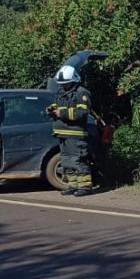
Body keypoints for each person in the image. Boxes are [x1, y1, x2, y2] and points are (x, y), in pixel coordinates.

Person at [47, 65, 98, 196]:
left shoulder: (81, 93)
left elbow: (82, 113)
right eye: (62, 83)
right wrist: (51, 110)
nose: (64, 85)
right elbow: (58, 106)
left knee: (78, 159)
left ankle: (85, 187)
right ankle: (72, 185)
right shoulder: (61, 92)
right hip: (62, 133)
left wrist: (61, 113)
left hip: (75, 133)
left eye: (66, 83)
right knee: (66, 160)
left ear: (74, 80)